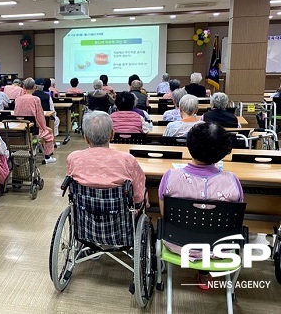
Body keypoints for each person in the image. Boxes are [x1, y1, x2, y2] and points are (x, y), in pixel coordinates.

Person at [158, 122, 243, 289]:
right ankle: (205, 275)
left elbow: (163, 214)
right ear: (223, 151)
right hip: (220, 248)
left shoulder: (171, 176)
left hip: (178, 245)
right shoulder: (232, 180)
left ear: (189, 144)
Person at [68, 111, 146, 205]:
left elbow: (71, 191)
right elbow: (138, 196)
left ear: (86, 138)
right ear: (112, 134)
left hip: (84, 215)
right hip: (120, 216)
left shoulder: (74, 158)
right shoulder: (127, 160)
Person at [14, 78, 56, 163]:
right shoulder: (35, 99)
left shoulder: (18, 99)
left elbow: (16, 113)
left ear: (24, 87)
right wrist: (44, 128)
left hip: (20, 128)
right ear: (34, 87)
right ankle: (47, 157)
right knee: (49, 132)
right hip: (33, 130)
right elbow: (40, 116)